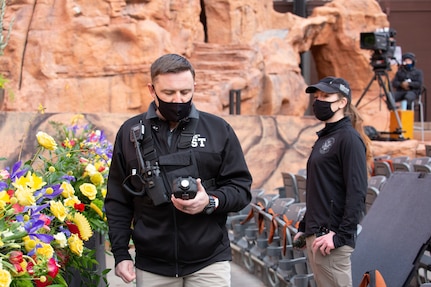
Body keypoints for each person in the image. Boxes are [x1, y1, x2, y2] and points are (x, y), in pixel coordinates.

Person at [104, 53, 252, 287]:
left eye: (185, 92)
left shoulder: (218, 129)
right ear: (152, 90)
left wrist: (210, 201)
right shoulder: (129, 132)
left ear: (195, 86)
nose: (178, 100)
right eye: (169, 93)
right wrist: (121, 253)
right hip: (152, 263)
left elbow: (241, 189)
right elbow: (117, 200)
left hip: (209, 261)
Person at [293, 77, 368, 287]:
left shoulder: (349, 139)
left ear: (342, 102)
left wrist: (340, 237)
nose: (319, 101)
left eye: (326, 96)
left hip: (331, 241)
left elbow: (357, 192)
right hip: (317, 236)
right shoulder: (325, 138)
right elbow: (320, 189)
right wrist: (305, 226)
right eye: (317, 97)